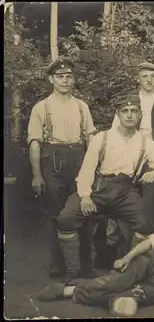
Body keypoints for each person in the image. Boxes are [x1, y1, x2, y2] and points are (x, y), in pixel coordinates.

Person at [56, 94, 154, 282]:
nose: (129, 115)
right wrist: (86, 196)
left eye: (134, 111)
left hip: (126, 192)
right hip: (99, 190)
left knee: (146, 223)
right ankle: (75, 273)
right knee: (65, 219)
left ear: (140, 116)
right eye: (125, 111)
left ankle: (133, 270)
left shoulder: (145, 141)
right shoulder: (102, 138)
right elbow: (86, 171)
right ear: (118, 115)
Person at [38, 202, 154, 317]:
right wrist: (127, 257)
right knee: (117, 282)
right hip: (153, 260)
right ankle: (65, 290)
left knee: (127, 303)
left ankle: (81, 290)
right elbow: (151, 242)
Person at [27, 56, 97, 278]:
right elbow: (35, 142)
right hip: (52, 162)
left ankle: (85, 263)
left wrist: (95, 168)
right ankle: (58, 263)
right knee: (54, 215)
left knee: (82, 211)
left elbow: (91, 139)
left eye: (69, 77)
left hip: (78, 159)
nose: (65, 81)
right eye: (60, 77)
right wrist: (37, 175)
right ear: (51, 79)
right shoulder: (41, 108)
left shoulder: (81, 106)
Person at [111, 62, 154, 145]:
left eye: (152, 76)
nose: (149, 80)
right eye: (145, 76)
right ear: (138, 79)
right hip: (131, 146)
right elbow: (115, 127)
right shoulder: (128, 100)